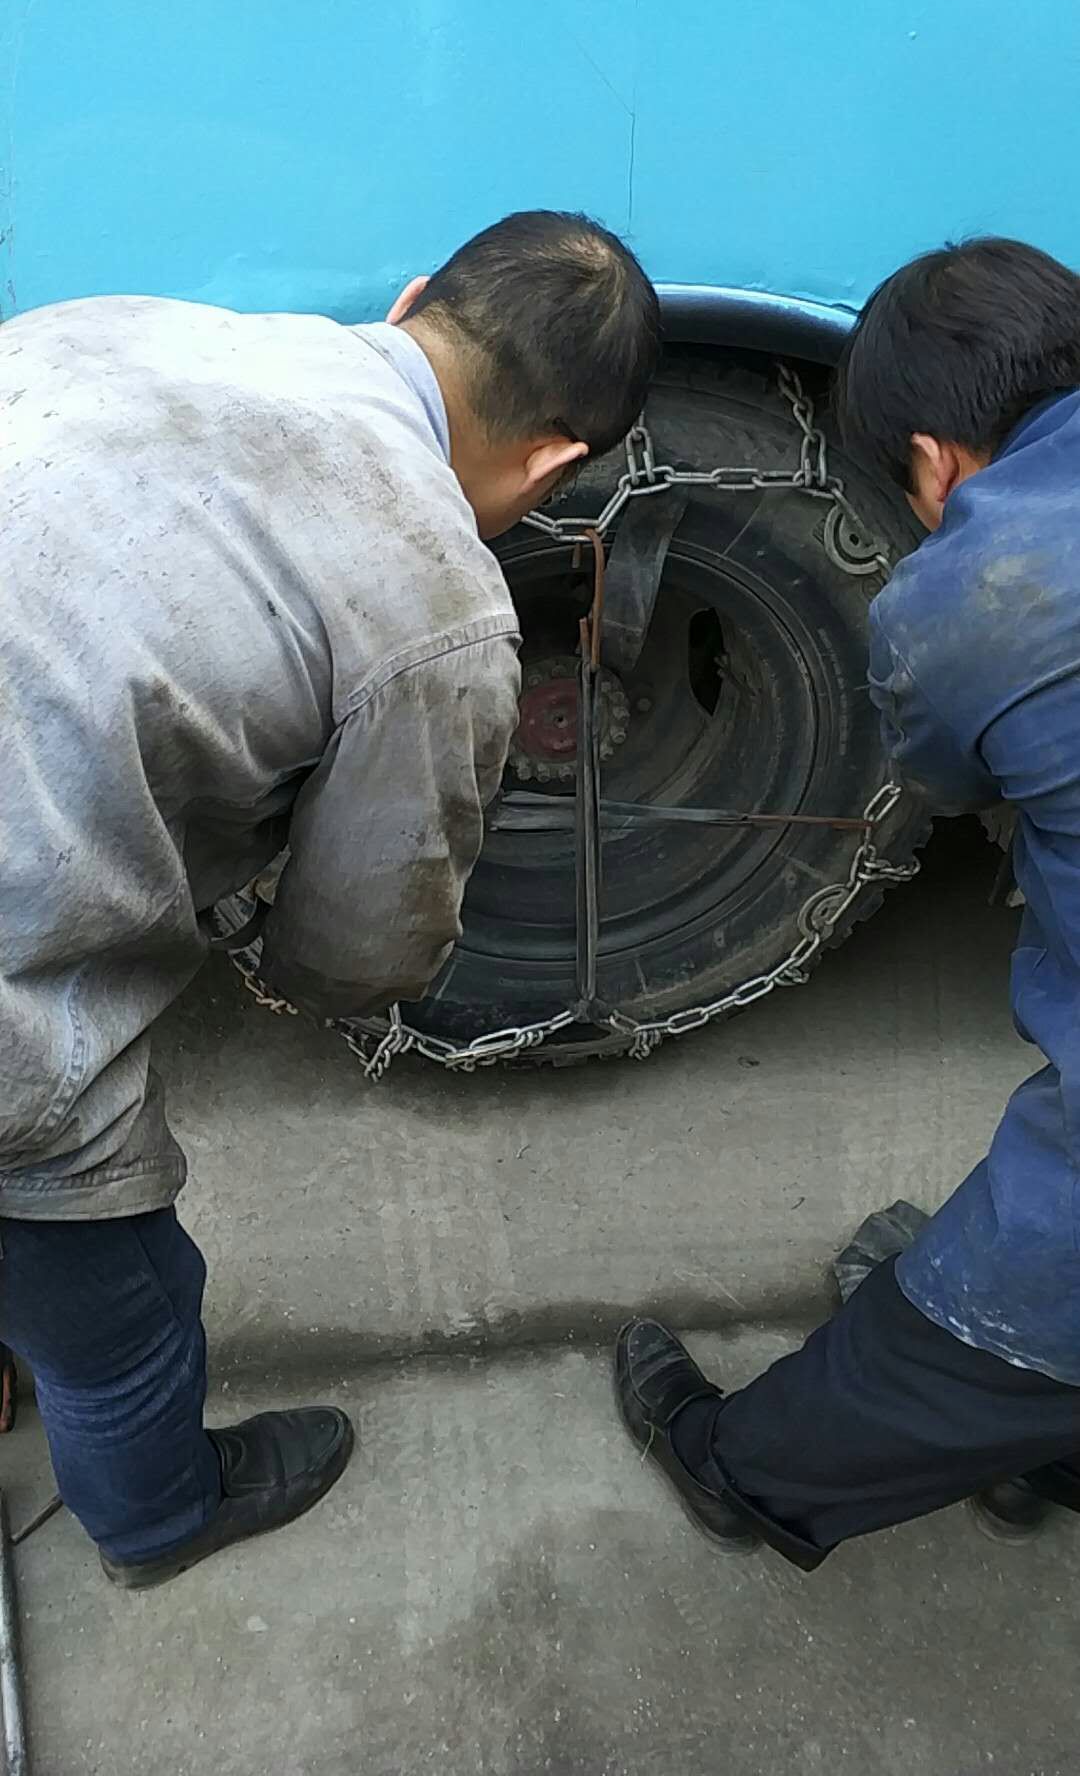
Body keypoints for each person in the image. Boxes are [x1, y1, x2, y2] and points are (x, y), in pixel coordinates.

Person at [1, 210, 661, 1589]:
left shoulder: (111, 323)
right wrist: (287, 964)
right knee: (122, 1308)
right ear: (555, 463)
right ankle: (158, 1521)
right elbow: (359, 944)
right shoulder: (435, 610)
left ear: (415, 301)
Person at [616, 237, 1080, 1569]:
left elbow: (945, 773)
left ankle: (738, 1468)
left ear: (930, 460)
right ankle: (1046, 1445)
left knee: (1020, 1292)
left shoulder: (978, 591)